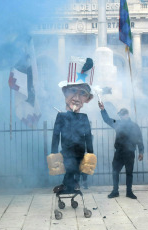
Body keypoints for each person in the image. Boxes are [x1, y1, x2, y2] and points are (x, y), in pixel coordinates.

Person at [52, 56, 94, 192]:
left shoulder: (84, 117)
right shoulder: (61, 116)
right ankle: (70, 185)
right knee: (69, 168)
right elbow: (55, 136)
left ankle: (70, 185)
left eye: (82, 93)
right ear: (64, 93)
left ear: (87, 99)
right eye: (72, 91)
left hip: (80, 151)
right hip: (66, 151)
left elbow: (88, 136)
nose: (76, 98)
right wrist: (53, 154)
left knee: (74, 169)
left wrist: (90, 154)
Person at [98, 103, 144, 199]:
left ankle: (129, 192)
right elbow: (107, 120)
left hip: (130, 152)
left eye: (122, 115)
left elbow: (139, 139)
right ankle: (115, 191)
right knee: (115, 172)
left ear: (127, 115)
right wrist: (103, 110)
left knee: (129, 173)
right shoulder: (117, 123)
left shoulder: (135, 126)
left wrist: (141, 151)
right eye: (120, 115)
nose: (121, 116)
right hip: (119, 152)